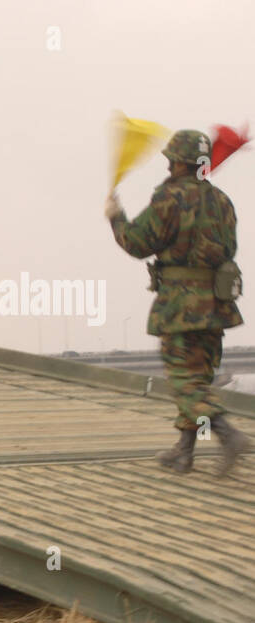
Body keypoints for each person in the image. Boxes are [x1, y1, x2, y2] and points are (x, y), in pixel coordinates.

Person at [106, 129, 250, 475]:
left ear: (177, 162)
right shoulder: (222, 200)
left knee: (185, 383)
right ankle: (185, 452)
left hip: (181, 307)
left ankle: (228, 435)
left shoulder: (169, 198)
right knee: (199, 378)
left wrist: (116, 217)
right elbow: (229, 249)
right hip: (217, 306)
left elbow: (138, 243)